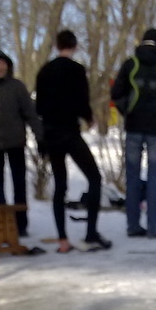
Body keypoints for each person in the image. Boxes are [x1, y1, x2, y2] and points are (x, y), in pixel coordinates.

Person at [35, 30, 111, 253]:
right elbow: (81, 99)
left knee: (60, 185)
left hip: (51, 133)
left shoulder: (44, 71)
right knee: (94, 178)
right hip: (69, 131)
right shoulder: (76, 70)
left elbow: (39, 106)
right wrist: (88, 117)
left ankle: (62, 239)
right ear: (75, 46)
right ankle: (91, 233)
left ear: (56, 45)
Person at [110, 28, 156, 238]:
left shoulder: (130, 63)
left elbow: (116, 93)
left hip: (133, 126)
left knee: (132, 178)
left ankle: (133, 225)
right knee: (153, 178)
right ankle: (154, 227)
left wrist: (127, 110)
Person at [0, 48, 43, 237]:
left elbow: (30, 113)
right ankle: (0, 223)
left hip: (16, 142)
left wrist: (40, 137)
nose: (0, 67)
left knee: (19, 184)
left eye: (3, 63)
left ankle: (20, 224)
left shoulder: (16, 87)